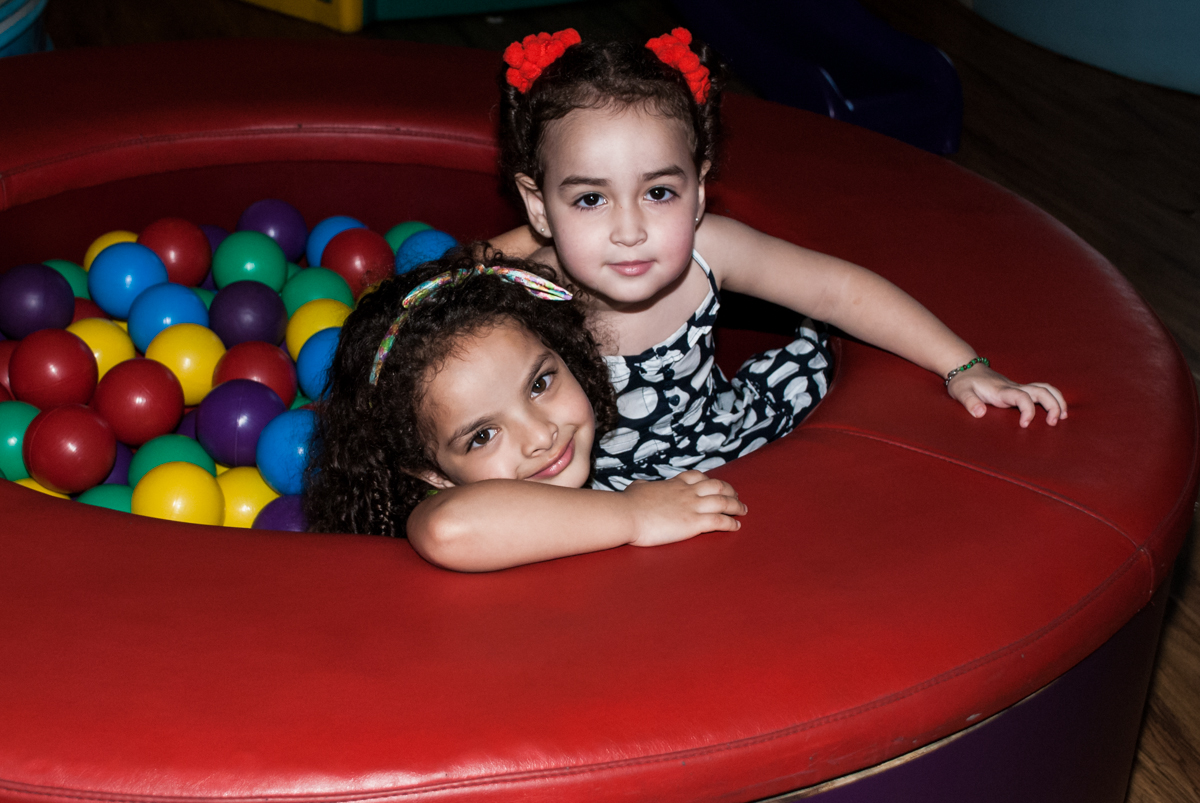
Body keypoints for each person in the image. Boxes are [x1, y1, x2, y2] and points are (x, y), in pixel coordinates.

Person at [492, 28, 1067, 491]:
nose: (629, 230)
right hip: (597, 486)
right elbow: (442, 320)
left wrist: (964, 368)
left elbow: (840, 291)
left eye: (659, 192)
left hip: (727, 441)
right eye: (590, 200)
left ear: (698, 191)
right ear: (539, 206)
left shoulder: (711, 251)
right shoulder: (527, 286)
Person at [304, 246, 747, 571]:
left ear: (565, 354)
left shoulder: (629, 438)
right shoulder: (441, 512)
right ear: (432, 474)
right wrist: (634, 514)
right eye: (482, 436)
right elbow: (449, 529)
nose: (540, 436)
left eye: (539, 384)